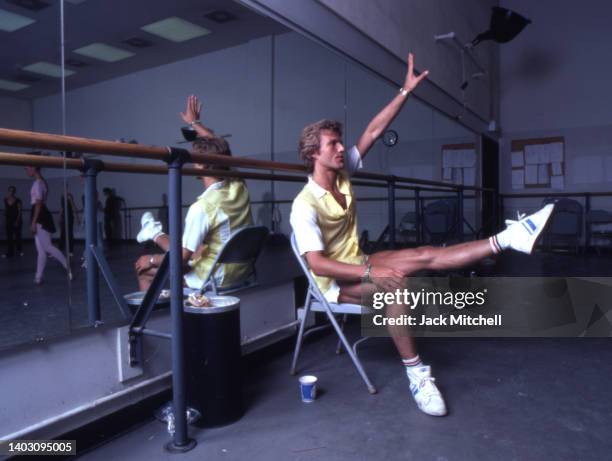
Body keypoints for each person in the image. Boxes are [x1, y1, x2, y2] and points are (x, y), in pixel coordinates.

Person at [290, 53, 555, 417]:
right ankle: (417, 375)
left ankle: (508, 239)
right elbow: (317, 262)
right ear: (312, 154)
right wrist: (373, 274)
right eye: (333, 144)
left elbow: (373, 131)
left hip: (358, 260)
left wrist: (405, 90)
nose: (341, 148)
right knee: (396, 285)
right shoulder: (303, 205)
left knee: (426, 253)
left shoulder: (342, 173)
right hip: (332, 281)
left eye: (339, 142)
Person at [134, 96, 253, 292]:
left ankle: (153, 321)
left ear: (202, 165)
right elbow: (222, 148)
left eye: (195, 158)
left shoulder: (202, 207)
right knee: (195, 250)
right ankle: (153, 232)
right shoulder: (238, 185)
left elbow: (180, 259)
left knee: (144, 268)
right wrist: (194, 123)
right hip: (242, 269)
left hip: (215, 277)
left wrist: (151, 259)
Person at [25, 165, 71, 284]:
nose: (26, 170)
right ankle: (38, 277)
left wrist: (34, 221)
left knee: (47, 246)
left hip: (40, 215)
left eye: (27, 167)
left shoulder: (38, 183)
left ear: (34, 168)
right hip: (39, 213)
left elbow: (39, 203)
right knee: (41, 250)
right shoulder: (41, 182)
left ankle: (67, 266)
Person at [3, 185, 23, 258]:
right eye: (10, 190)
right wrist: (5, 215)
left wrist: (17, 221)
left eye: (12, 191)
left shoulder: (18, 200)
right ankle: (10, 252)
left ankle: (19, 250)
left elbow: (19, 211)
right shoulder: (5, 199)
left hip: (16, 220)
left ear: (14, 192)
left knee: (17, 236)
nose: (11, 192)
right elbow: (6, 209)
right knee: (9, 237)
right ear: (8, 191)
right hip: (9, 220)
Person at [59, 190, 78, 255]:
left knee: (69, 233)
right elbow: (62, 207)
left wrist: (77, 217)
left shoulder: (69, 196)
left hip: (69, 216)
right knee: (63, 233)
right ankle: (61, 249)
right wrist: (60, 217)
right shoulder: (62, 196)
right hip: (64, 216)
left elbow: (73, 206)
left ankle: (70, 250)